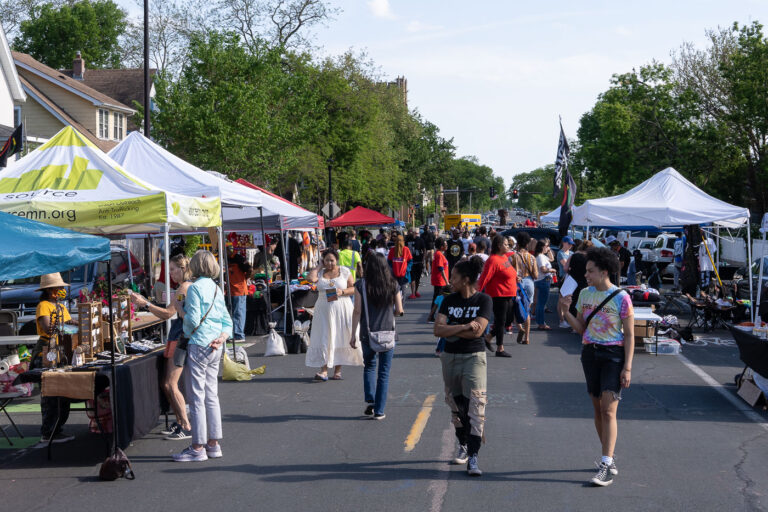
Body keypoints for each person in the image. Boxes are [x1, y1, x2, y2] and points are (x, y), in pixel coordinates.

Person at [561, 248, 634, 486]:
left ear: (604, 272)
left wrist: (628, 367)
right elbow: (581, 328)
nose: (586, 275)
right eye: (586, 271)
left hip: (613, 355)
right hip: (589, 354)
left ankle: (605, 462)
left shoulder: (622, 297)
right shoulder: (584, 294)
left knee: (609, 410)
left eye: (590, 271)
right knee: (597, 409)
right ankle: (609, 457)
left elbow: (631, 335)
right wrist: (564, 310)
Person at [434, 257, 492, 477]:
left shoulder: (484, 300)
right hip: (450, 357)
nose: (451, 281)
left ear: (466, 279)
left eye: (455, 277)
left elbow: (478, 332)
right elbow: (437, 331)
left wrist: (452, 328)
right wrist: (465, 325)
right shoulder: (448, 301)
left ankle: (474, 456)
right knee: (456, 406)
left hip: (474, 357)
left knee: (475, 406)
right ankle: (463, 444)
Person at [173, 251, 233, 462]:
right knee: (211, 395)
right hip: (215, 344)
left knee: (196, 396)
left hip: (198, 343)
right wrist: (222, 337)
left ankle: (197, 446)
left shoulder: (195, 288)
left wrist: (180, 310)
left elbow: (193, 320)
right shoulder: (216, 288)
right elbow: (227, 320)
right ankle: (213, 443)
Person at [130, 254, 193, 440]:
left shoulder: (184, 287)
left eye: (173, 269)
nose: (171, 274)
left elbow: (167, 313)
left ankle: (186, 425)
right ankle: (182, 422)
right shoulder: (182, 287)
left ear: (182, 269)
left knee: (171, 384)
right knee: (167, 384)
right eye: (170, 270)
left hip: (180, 337)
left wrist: (145, 303)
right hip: (177, 336)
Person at [350, 253, 404, 420]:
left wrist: (353, 334)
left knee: (369, 366)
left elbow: (357, 311)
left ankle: (371, 399)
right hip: (387, 333)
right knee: (384, 373)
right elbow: (399, 310)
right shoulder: (392, 284)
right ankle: (379, 410)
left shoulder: (361, 285)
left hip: (367, 333)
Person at [32, 273, 78, 444]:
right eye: (57, 288)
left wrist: (76, 323)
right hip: (46, 351)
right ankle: (48, 431)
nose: (60, 291)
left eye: (61, 288)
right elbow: (47, 327)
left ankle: (56, 429)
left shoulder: (61, 307)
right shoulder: (43, 306)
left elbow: (68, 323)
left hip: (60, 349)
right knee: (49, 394)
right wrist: (65, 326)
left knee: (61, 393)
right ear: (49, 290)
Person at [305, 249, 363, 380]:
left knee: (339, 336)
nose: (330, 263)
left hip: (341, 307)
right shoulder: (320, 272)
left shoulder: (344, 271)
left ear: (336, 260)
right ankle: (324, 370)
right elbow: (310, 279)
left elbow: (354, 288)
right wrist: (319, 266)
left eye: (332, 260)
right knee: (324, 336)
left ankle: (338, 370)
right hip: (323, 309)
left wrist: (342, 292)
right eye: (327, 260)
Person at [476, 235, 517, 356]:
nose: (508, 246)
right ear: (499, 246)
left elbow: (508, 272)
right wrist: (476, 293)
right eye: (505, 244)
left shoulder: (503, 257)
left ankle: (488, 337)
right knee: (500, 321)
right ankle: (500, 348)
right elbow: (485, 277)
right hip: (498, 295)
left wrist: (516, 277)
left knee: (508, 320)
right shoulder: (492, 260)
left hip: (509, 294)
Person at [514, 232, 537, 345]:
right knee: (527, 310)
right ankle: (527, 338)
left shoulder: (513, 256)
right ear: (527, 243)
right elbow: (536, 275)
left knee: (515, 308)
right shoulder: (532, 257)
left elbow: (506, 270)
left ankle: (520, 328)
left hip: (517, 283)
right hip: (529, 282)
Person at [227, 249, 252, 343]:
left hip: (240, 290)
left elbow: (249, 268)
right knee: (234, 313)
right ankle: (234, 333)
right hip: (231, 291)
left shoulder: (238, 258)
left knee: (238, 313)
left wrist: (245, 279)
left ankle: (239, 335)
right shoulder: (228, 259)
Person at [534, 240, 557, 331]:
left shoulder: (542, 256)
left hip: (543, 280)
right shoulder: (540, 257)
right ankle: (541, 323)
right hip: (543, 280)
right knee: (541, 303)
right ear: (542, 247)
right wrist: (552, 270)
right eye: (547, 246)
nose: (548, 248)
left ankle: (540, 322)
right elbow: (543, 269)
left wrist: (549, 250)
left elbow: (552, 259)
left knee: (541, 303)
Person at [428, 237, 450, 323]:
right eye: (445, 245)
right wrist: (446, 281)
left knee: (438, 299)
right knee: (437, 299)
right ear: (441, 246)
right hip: (440, 281)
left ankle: (433, 316)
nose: (447, 246)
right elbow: (441, 269)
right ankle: (432, 317)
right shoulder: (439, 255)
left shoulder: (439, 254)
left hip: (441, 280)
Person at [388, 234, 413, 300]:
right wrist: (392, 269)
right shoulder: (392, 250)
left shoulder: (406, 249)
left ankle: (401, 308)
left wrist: (407, 269)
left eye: (400, 241)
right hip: (394, 275)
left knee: (403, 292)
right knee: (395, 292)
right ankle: (396, 307)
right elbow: (389, 262)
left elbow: (410, 261)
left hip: (403, 275)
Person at [405, 228, 426, 299]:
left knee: (418, 278)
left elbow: (424, 250)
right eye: (414, 233)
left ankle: (415, 291)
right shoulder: (407, 239)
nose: (415, 234)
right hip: (411, 262)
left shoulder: (420, 240)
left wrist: (423, 260)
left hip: (419, 261)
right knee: (413, 278)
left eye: (417, 233)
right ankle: (413, 293)